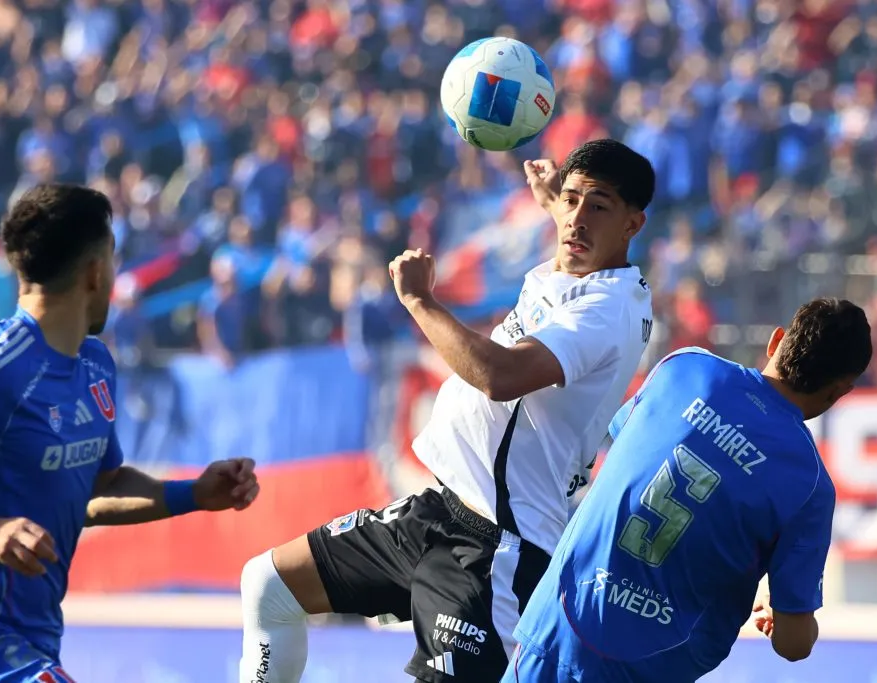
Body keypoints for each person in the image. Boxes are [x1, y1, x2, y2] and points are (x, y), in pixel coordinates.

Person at [239, 139, 656, 683]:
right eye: (570, 200)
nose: (576, 219)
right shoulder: (574, 262)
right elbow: (574, 217)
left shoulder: (608, 309)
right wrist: (557, 197)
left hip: (495, 549)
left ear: (632, 225)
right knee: (268, 586)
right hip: (431, 513)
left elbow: (499, 377)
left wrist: (420, 302)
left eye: (597, 206)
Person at [0, 184, 261, 682]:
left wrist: (193, 493)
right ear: (97, 271)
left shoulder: (95, 365)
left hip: (31, 641)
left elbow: (95, 491)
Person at [503, 298, 873, 683]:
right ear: (839, 391)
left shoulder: (683, 368)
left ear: (775, 340)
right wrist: (789, 619)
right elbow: (793, 645)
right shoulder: (809, 484)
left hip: (559, 623)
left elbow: (625, 444)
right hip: (647, 668)